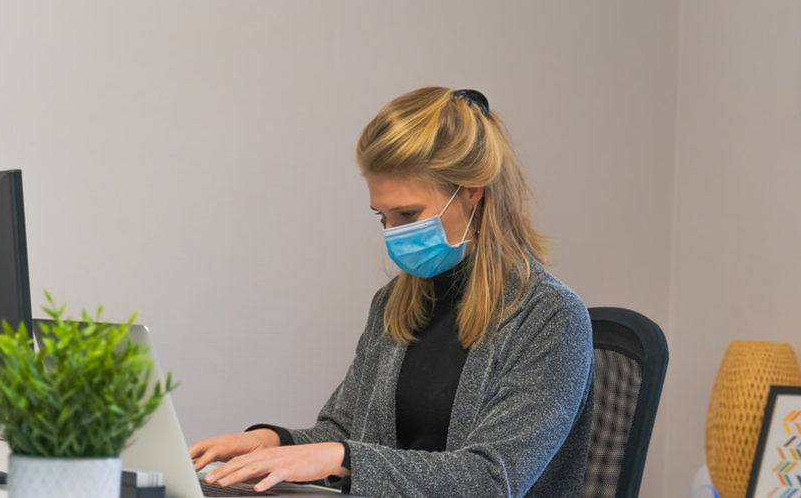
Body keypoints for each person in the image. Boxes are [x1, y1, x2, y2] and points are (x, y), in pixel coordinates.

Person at [189, 86, 594, 498]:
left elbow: (490, 479)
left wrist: (343, 457)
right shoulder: (394, 304)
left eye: (407, 214)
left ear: (473, 189)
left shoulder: (549, 316)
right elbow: (343, 431)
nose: (393, 234)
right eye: (382, 216)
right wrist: (276, 442)